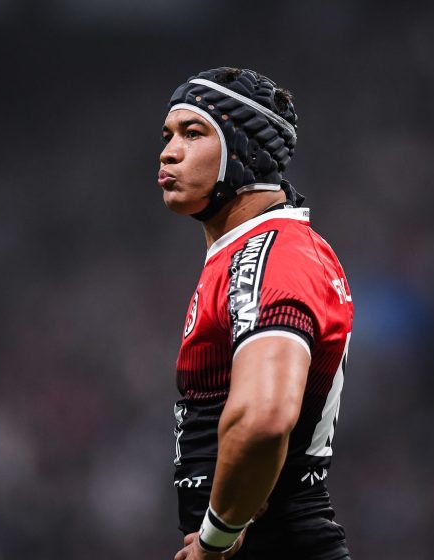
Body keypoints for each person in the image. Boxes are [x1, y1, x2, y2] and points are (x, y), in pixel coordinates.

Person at [159, 67, 354, 560]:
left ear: (244, 149)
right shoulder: (250, 252)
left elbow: (264, 418)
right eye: (167, 135)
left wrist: (216, 537)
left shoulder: (271, 254)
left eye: (193, 132)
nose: (168, 151)